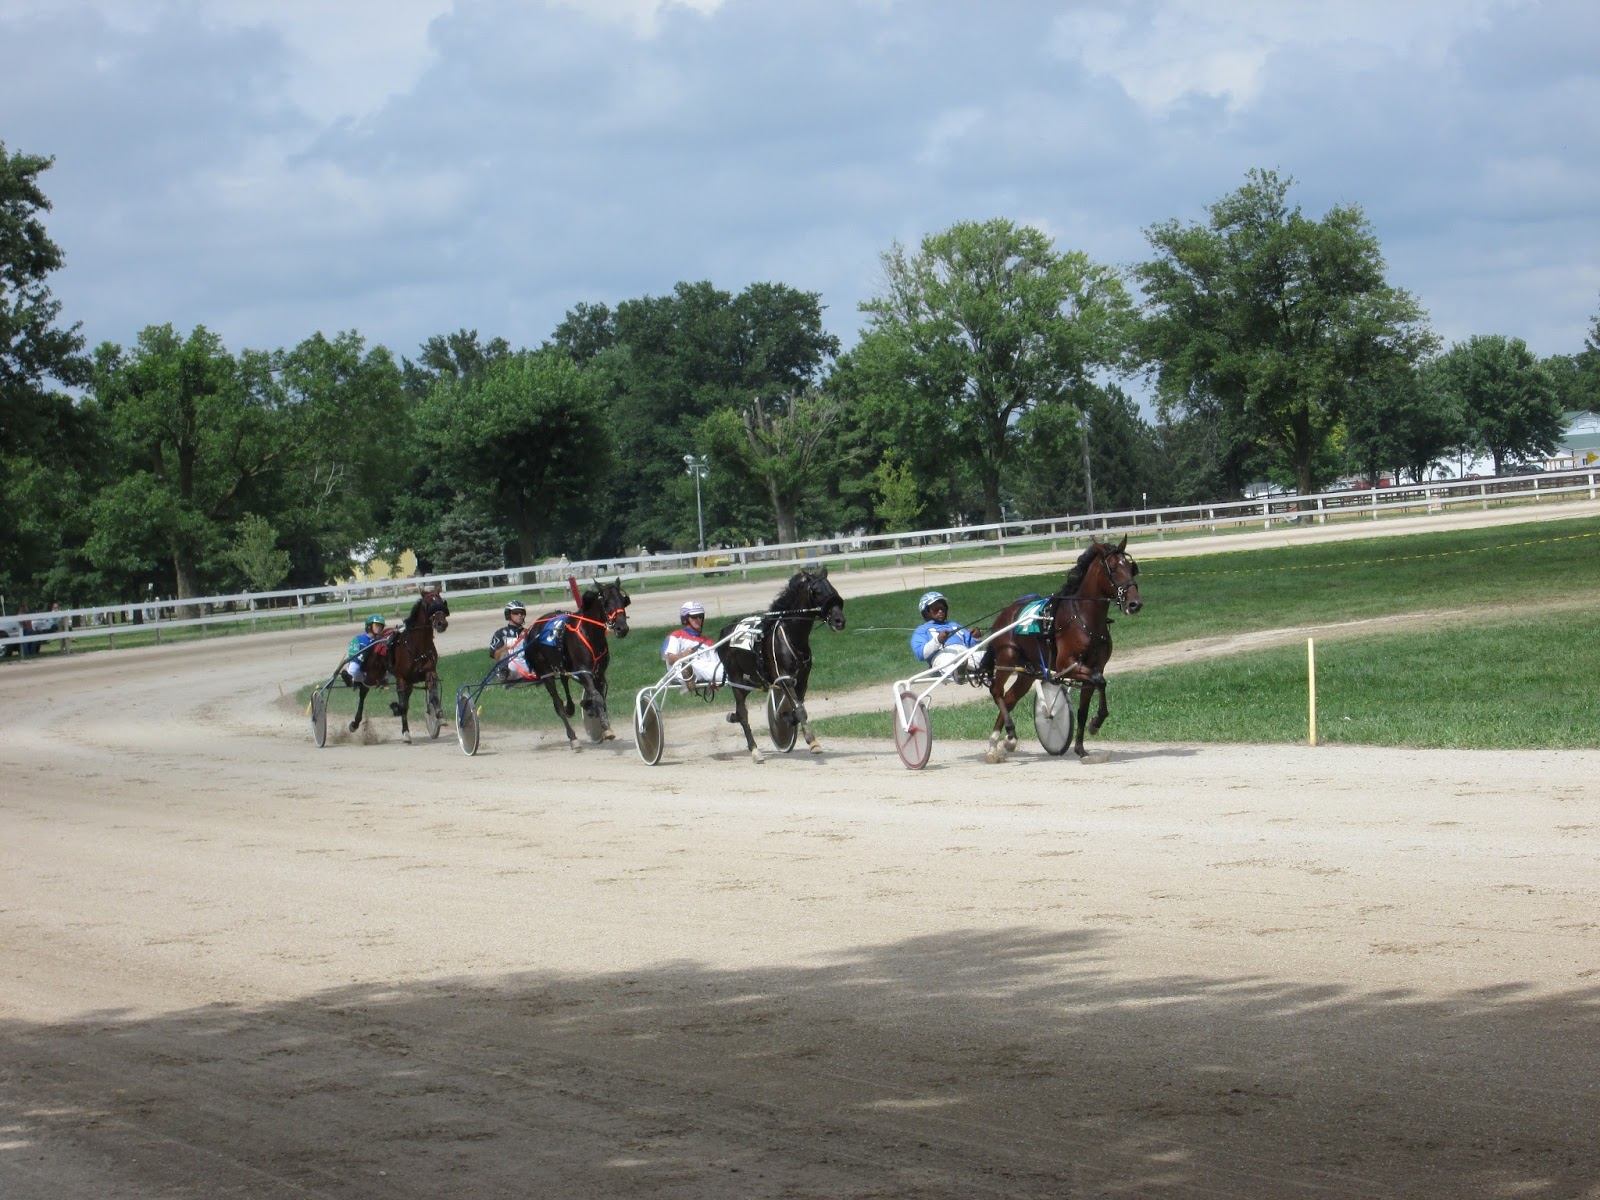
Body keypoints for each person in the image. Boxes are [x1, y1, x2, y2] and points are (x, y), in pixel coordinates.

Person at [910, 591, 981, 677]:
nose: (940, 611)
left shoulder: (955, 625)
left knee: (989, 655)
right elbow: (921, 654)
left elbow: (971, 645)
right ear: (926, 612)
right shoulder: (921, 630)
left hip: (965, 655)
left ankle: (965, 669)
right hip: (943, 656)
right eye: (936, 609)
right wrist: (938, 640)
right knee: (946, 659)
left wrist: (976, 636)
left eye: (942, 608)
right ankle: (958, 672)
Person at [662, 600, 724, 691]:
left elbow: (716, 663)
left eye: (701, 616)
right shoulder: (676, 636)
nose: (699, 619)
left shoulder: (708, 642)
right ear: (685, 619)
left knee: (724, 665)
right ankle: (688, 673)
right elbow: (670, 659)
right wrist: (683, 655)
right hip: (678, 672)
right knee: (693, 665)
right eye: (694, 616)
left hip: (706, 672)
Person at [489, 599, 536, 681]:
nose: (520, 615)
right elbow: (495, 655)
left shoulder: (528, 633)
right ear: (508, 614)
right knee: (504, 654)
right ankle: (506, 675)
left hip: (527, 667)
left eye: (522, 613)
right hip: (509, 669)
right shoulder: (500, 634)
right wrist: (505, 648)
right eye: (516, 612)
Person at [344, 614, 389, 686]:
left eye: (380, 626)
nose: (379, 628)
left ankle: (381, 680)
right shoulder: (359, 639)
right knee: (354, 668)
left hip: (374, 667)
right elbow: (352, 654)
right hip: (360, 665)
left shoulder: (381, 640)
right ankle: (351, 680)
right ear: (369, 626)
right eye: (376, 626)